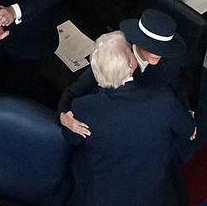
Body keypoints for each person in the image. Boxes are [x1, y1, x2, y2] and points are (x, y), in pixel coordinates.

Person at [62, 31, 195, 206]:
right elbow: (188, 130)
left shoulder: (84, 108)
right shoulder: (163, 101)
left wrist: (64, 119)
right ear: (131, 64)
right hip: (150, 205)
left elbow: (72, 139)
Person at [59, 9, 190, 136]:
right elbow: (73, 91)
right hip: (114, 121)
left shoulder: (171, 61)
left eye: (163, 48)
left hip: (148, 121)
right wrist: (63, 116)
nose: (159, 52)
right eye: (153, 46)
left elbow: (177, 86)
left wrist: (186, 111)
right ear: (139, 41)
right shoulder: (114, 58)